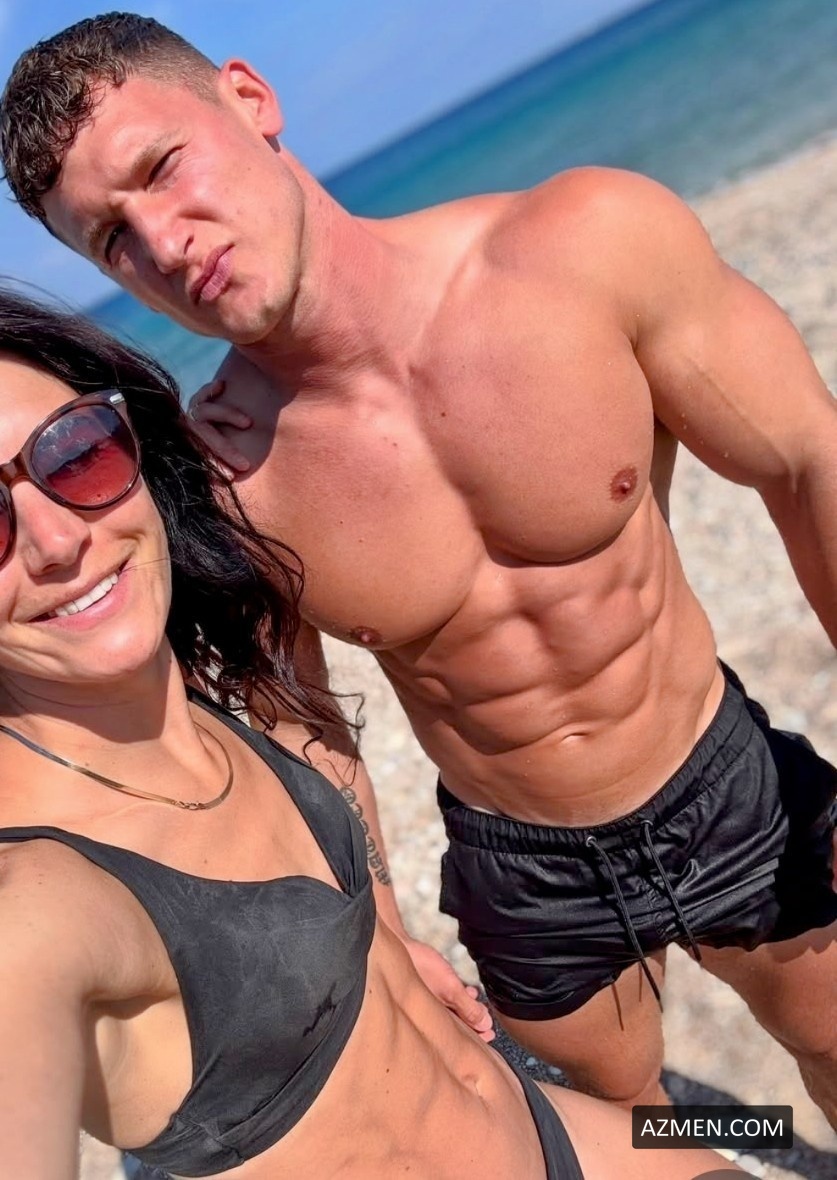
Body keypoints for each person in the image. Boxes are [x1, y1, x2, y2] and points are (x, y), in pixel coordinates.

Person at [1, 11, 835, 1123]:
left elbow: (805, 458)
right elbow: (306, 723)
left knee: (832, 1039)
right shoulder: (229, 476)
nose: (163, 242)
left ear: (249, 100)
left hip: (718, 774)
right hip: (523, 867)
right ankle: (748, 1139)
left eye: (161, 167)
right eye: (112, 240)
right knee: (637, 1119)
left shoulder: (584, 250)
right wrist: (386, 933)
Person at [0, 285, 748, 1180]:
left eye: (74, 452)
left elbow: (308, 735)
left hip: (546, 1122)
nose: (56, 541)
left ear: (131, 443)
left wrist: (384, 937)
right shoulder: (37, 897)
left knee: (741, 1138)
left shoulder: (181, 698)